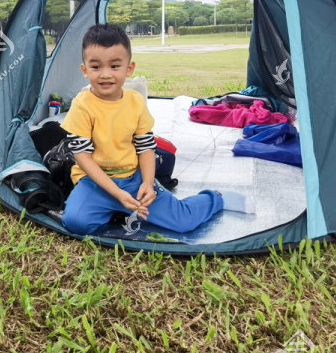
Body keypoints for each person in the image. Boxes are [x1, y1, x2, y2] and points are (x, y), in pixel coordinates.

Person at [60, 24, 255, 236]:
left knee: (184, 222)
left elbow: (146, 147)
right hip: (94, 182)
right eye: (96, 67)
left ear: (129, 68)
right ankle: (118, 208)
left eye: (115, 66)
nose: (105, 74)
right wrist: (116, 194)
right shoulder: (82, 105)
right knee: (75, 222)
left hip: (132, 178)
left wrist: (147, 182)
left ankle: (217, 198)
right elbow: (83, 157)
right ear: (85, 70)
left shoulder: (135, 102)